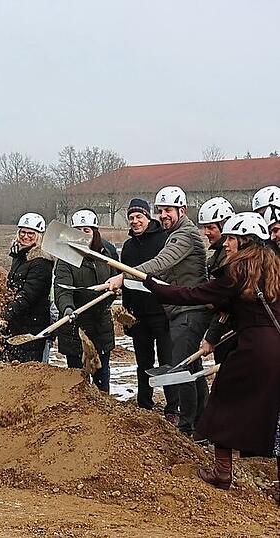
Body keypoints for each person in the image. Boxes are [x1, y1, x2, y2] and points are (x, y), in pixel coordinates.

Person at [143, 212, 279, 491]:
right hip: (274, 347)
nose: (226, 244)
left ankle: (222, 471)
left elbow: (195, 294)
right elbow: (233, 307)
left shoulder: (238, 272)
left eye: (231, 238)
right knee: (274, 412)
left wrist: (154, 286)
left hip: (254, 350)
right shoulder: (272, 269)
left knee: (222, 401)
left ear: (246, 241)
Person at [108, 186, 211, 438]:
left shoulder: (183, 235)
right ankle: (202, 422)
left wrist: (124, 275)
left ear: (182, 210)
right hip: (180, 309)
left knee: (182, 370)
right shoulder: (174, 233)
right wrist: (128, 283)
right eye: (161, 210)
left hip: (189, 311)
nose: (163, 215)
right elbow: (163, 274)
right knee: (192, 367)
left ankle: (188, 427)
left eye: (168, 210)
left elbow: (161, 263)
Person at [119, 199, 177, 416]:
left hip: (161, 313)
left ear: (148, 217)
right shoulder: (128, 247)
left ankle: (172, 407)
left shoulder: (164, 240)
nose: (135, 221)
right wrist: (127, 314)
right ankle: (144, 404)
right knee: (143, 362)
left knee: (167, 361)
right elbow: (125, 281)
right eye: (132, 218)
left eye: (139, 217)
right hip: (139, 315)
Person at [53, 210, 118, 392]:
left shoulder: (107, 252)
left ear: (95, 231)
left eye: (87, 230)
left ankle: (103, 415)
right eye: (78, 231)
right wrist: (67, 308)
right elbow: (62, 288)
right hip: (75, 325)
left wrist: (114, 290)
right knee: (77, 380)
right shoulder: (65, 258)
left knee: (101, 376)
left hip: (101, 325)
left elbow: (116, 278)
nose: (82, 234)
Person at [0, 213, 54, 362]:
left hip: (33, 325)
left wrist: (7, 313)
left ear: (39, 236)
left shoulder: (41, 262)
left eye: (31, 233)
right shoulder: (19, 257)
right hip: (18, 322)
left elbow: (29, 294)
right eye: (23, 232)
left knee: (31, 369)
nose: (26, 236)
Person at [197, 197, 237, 366]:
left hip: (231, 333)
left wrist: (211, 337)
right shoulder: (216, 257)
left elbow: (224, 308)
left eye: (211, 227)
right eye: (204, 227)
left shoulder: (229, 259)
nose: (206, 232)